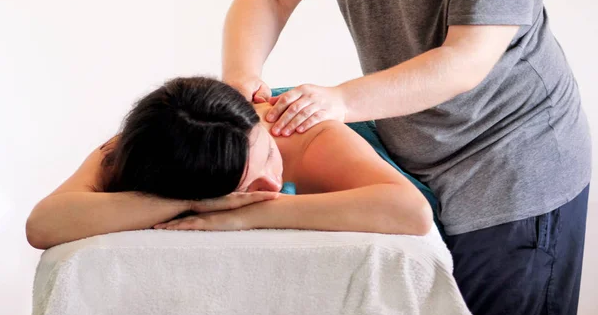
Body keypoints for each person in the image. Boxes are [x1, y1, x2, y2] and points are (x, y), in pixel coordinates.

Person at [221, 0, 592, 315]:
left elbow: (466, 60)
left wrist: (342, 100)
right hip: (416, 155)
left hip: (512, 162)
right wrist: (240, 75)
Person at [26, 76, 433, 250]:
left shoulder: (301, 132)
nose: (270, 186)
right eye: (245, 188)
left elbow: (413, 212)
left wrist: (245, 214)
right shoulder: (147, 145)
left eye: (269, 158)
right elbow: (44, 223)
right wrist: (195, 203)